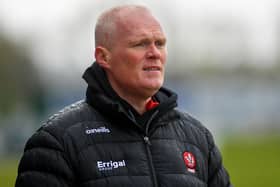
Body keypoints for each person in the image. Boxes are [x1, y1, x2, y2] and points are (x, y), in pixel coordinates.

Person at [15, 5, 232, 187]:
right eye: (140, 44)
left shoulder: (197, 138)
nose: (154, 53)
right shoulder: (57, 141)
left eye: (160, 43)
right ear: (103, 57)